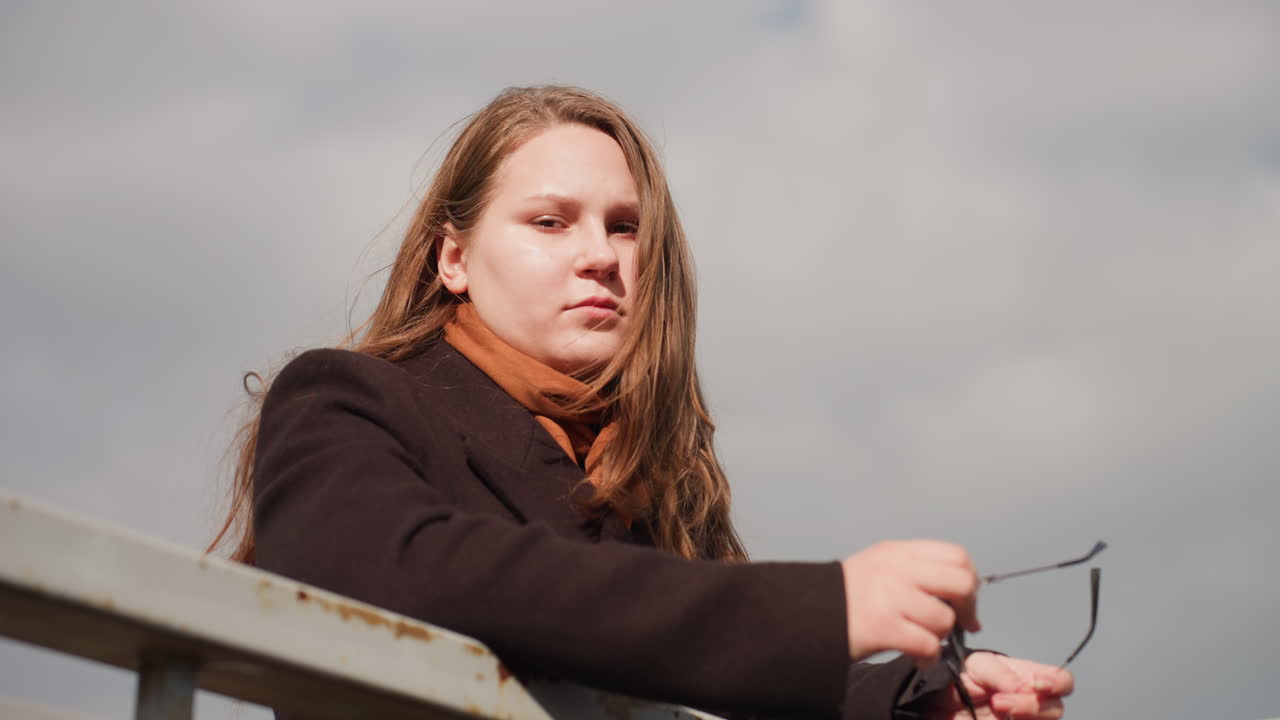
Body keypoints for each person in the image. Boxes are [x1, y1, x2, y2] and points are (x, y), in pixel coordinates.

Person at [212, 85, 1073, 720]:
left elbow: (703, 659)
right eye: (551, 222)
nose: (601, 255)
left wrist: (924, 700)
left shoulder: (650, 478)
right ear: (454, 259)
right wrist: (826, 608)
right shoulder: (346, 398)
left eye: (625, 226)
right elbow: (393, 573)